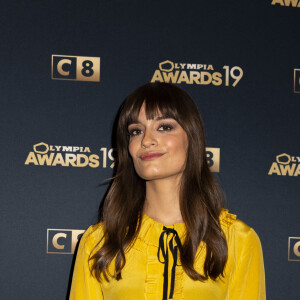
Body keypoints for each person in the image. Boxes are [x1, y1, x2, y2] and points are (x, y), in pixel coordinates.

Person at [69, 82, 266, 300]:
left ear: (192, 138)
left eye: (164, 127)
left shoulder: (237, 240)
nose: (146, 140)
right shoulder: (99, 242)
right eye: (136, 131)